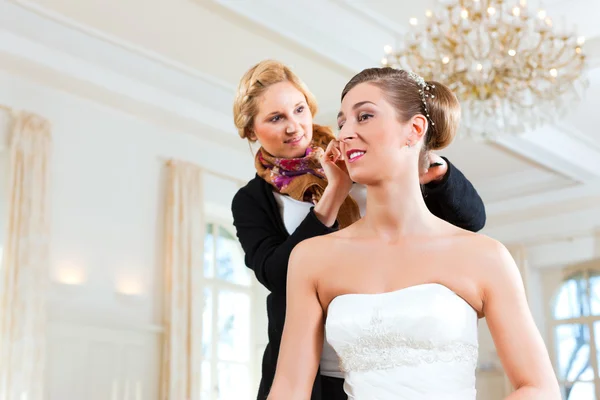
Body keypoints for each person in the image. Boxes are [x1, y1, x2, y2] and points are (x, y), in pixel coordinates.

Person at [265, 67, 560, 400]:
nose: (345, 132)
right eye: (342, 121)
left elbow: (539, 388)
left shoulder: (485, 256)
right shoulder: (311, 258)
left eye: (364, 116)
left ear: (414, 129)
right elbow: (288, 389)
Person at [230, 60, 487, 400]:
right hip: (315, 371)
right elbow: (279, 276)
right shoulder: (252, 201)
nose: (295, 126)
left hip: (390, 351)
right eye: (276, 118)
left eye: (299, 110)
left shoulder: (360, 157)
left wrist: (431, 166)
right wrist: (333, 196)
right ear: (251, 131)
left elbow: (470, 222)